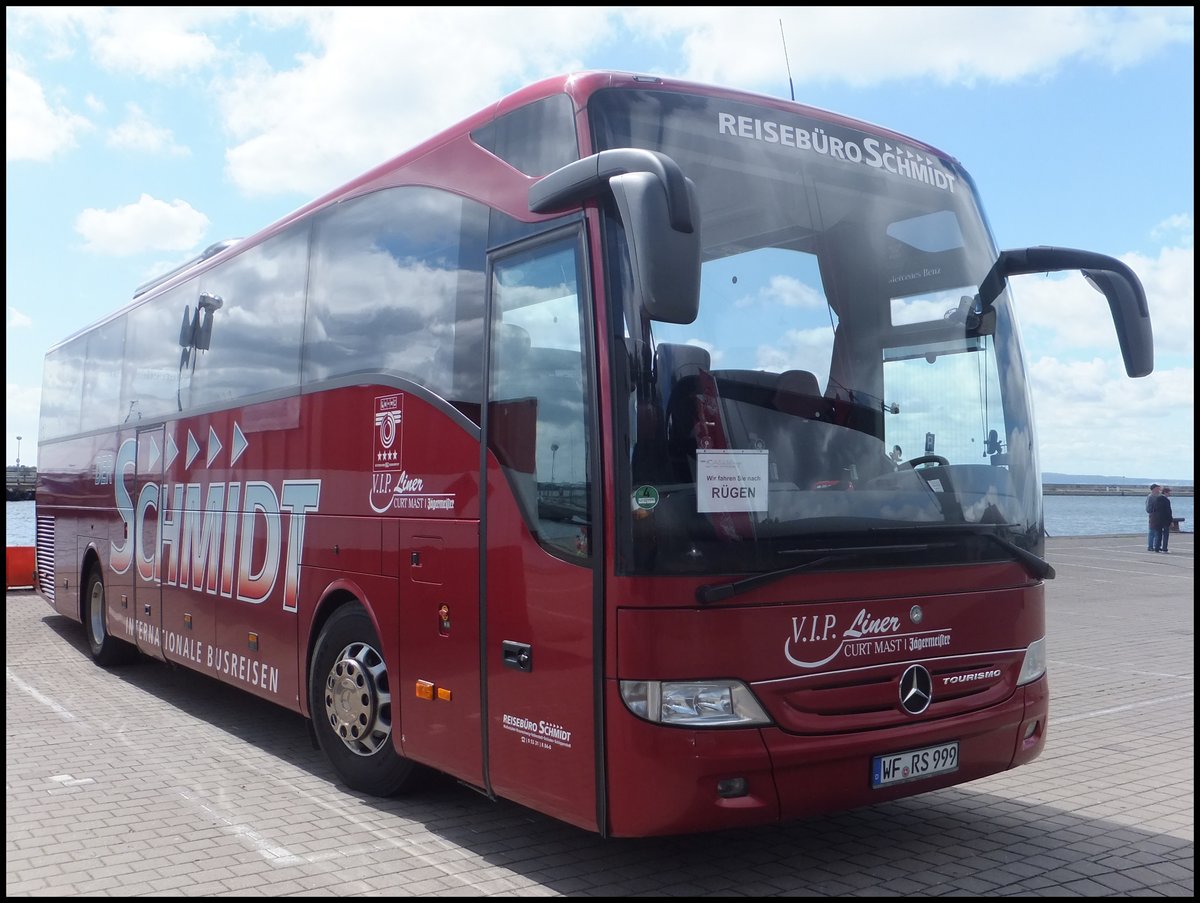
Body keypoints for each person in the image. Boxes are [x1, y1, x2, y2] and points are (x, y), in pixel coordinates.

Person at [1148, 485, 1172, 553]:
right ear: (1165, 492)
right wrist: (1171, 520)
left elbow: (1153, 509)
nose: (1170, 494)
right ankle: (1164, 548)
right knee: (1165, 535)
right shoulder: (1166, 500)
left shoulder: (1156, 499)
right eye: (1169, 493)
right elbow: (1168, 511)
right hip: (1165, 520)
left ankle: (1157, 548)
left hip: (1157, 520)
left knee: (1158, 534)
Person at [1145, 483, 1161, 551]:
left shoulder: (1159, 496)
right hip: (1153, 515)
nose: (1159, 490)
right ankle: (1150, 546)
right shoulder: (1150, 496)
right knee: (1152, 531)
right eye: (1158, 488)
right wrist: (1153, 511)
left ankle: (1156, 545)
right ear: (1154, 489)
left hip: (1159, 516)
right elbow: (1148, 508)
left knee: (1158, 531)